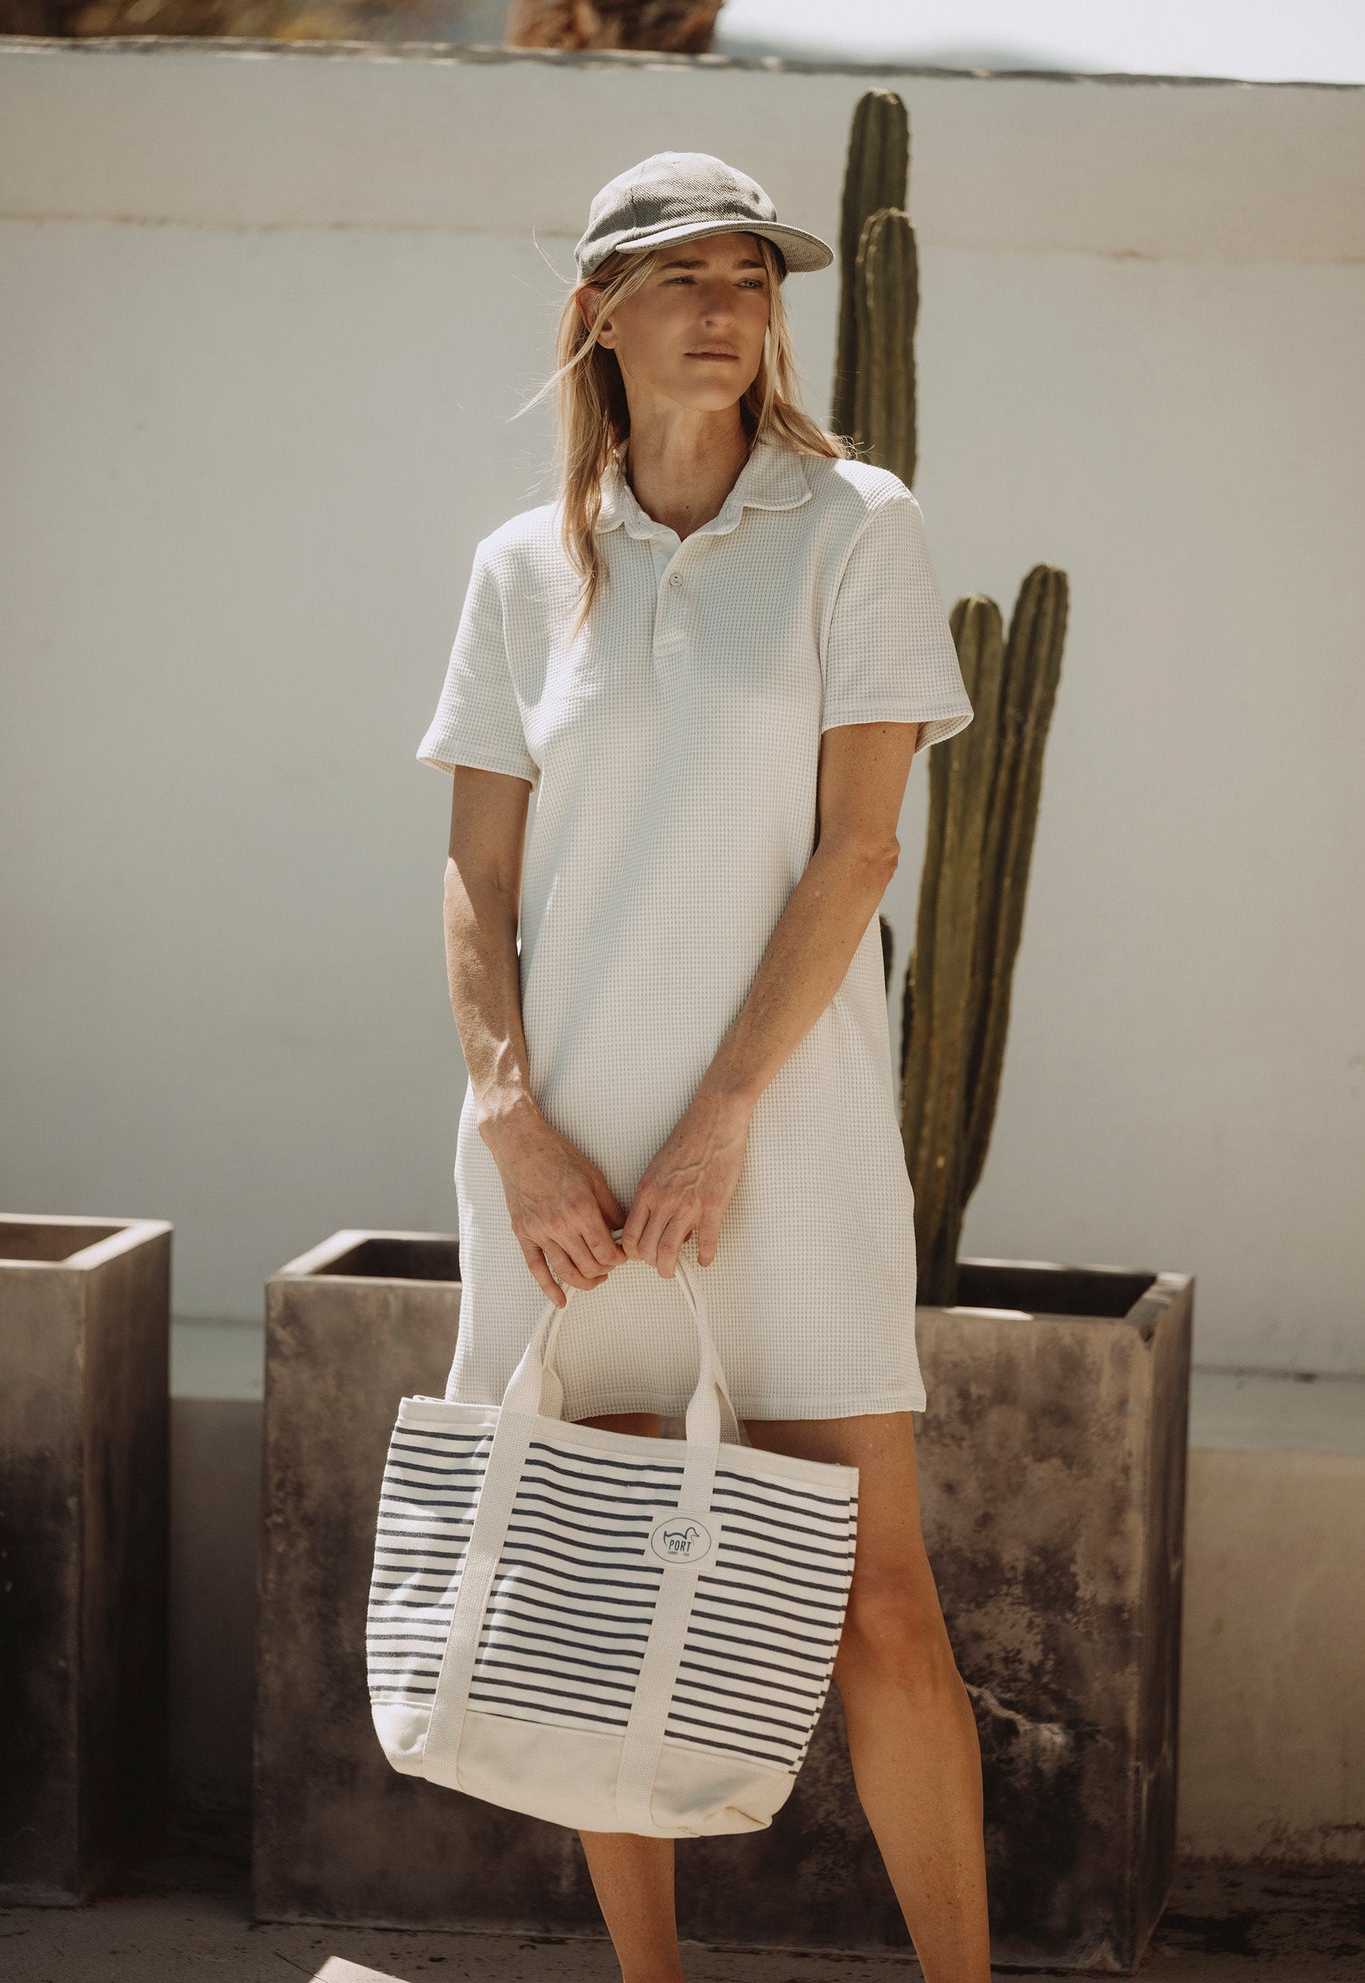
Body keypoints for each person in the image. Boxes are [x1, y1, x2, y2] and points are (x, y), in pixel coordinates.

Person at [417, 151, 991, 1983]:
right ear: (598, 313)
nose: (727, 307)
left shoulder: (855, 526)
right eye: (681, 276)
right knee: (596, 1594)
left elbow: (859, 850)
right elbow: (475, 874)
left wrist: (721, 1119)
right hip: (562, 1164)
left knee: (877, 1608)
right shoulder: (522, 568)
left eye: (752, 275)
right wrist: (511, 1122)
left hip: (781, 1144)